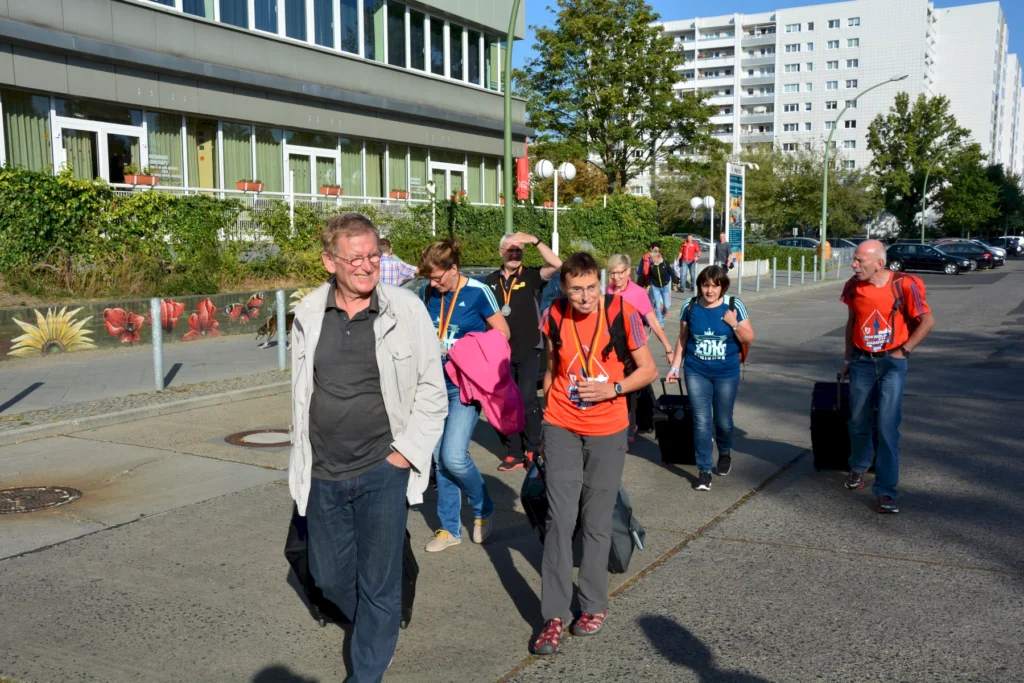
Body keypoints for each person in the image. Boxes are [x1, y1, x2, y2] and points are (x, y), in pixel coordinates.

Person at [288, 213, 447, 683]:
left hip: (383, 467)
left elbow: (431, 391)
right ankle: (375, 630)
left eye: (373, 255)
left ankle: (369, 665)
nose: (366, 265)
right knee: (330, 576)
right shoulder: (309, 314)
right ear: (329, 261)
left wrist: (404, 455)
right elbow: (301, 392)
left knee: (379, 582)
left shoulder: (406, 310)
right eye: (354, 257)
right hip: (323, 472)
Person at [532, 252, 659, 655]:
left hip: (607, 427)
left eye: (591, 288)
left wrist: (613, 389)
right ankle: (552, 616)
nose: (585, 297)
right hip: (562, 424)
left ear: (599, 284)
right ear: (564, 289)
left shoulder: (623, 313)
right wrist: (542, 415)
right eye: (576, 290)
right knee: (559, 519)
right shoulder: (553, 314)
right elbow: (554, 364)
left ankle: (592, 604)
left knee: (597, 519)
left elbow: (648, 369)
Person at [418, 239, 510, 551]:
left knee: (453, 457)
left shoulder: (479, 292)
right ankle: (449, 529)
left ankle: (484, 508)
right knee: (439, 459)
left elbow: (502, 334)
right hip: (432, 386)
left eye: (437, 277)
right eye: (429, 278)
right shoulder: (428, 292)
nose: (432, 283)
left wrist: (463, 348)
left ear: (454, 270)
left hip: (464, 386)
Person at [840, 240, 934, 514]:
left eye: (859, 261)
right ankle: (859, 467)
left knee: (887, 426)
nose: (853, 265)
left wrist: (903, 351)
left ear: (879, 263)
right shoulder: (853, 286)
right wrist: (847, 358)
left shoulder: (906, 284)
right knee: (858, 420)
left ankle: (885, 492)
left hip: (892, 362)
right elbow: (852, 322)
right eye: (854, 260)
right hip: (860, 361)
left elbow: (927, 321)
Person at [667, 265, 755, 492]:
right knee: (701, 421)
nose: (709, 290)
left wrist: (734, 323)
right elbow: (683, 338)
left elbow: (749, 338)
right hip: (696, 371)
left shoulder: (735, 306)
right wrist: (675, 367)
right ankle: (704, 470)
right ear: (700, 285)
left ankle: (724, 452)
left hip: (727, 372)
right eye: (705, 285)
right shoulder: (691, 306)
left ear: (722, 286)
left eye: (714, 286)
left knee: (723, 422)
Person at [485, 232, 562, 471]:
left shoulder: (531, 275)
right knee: (507, 403)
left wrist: (535, 241)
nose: (515, 254)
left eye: (519, 250)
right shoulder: (489, 281)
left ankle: (533, 448)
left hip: (528, 348)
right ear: (501, 253)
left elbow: (558, 264)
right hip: (500, 352)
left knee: (528, 398)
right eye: (510, 249)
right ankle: (514, 452)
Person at [606, 253, 676, 440]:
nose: (616, 277)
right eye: (612, 273)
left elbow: (652, 320)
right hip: (613, 350)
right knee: (635, 387)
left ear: (628, 271)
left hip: (634, 349)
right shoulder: (609, 291)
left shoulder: (637, 292)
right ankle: (642, 420)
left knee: (630, 389)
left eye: (620, 273)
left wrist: (668, 348)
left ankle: (629, 427)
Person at [645, 242, 678, 328]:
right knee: (658, 306)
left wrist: (674, 284)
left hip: (665, 287)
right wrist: (648, 286)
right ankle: (660, 322)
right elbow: (649, 277)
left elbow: (672, 273)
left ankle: (661, 316)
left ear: (658, 257)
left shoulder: (665, 264)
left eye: (652, 258)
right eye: (651, 259)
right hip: (656, 287)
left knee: (666, 306)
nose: (651, 260)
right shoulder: (652, 266)